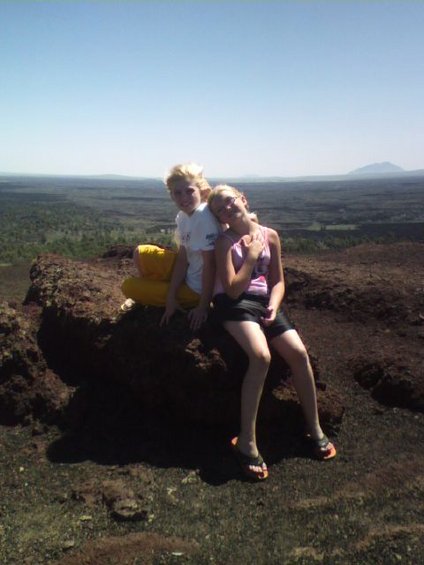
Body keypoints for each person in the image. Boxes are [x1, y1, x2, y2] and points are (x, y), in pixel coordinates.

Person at [208, 184, 336, 481]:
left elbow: (277, 281)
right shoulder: (224, 242)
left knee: (299, 353)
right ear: (219, 218)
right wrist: (251, 256)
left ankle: (314, 427)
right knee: (261, 356)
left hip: (265, 302)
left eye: (229, 201)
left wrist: (274, 306)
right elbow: (232, 289)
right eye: (219, 209)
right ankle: (246, 441)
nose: (227, 208)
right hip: (234, 304)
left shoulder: (271, 235)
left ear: (243, 199)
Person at [121, 163, 221, 330]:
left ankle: (149, 292)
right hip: (190, 271)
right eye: (177, 193)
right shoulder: (183, 216)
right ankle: (156, 288)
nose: (184, 198)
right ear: (172, 196)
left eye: (189, 191)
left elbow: (211, 265)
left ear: (201, 191)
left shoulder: (204, 218)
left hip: (197, 289)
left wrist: (203, 306)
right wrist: (171, 295)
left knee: (128, 286)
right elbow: (182, 258)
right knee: (141, 253)